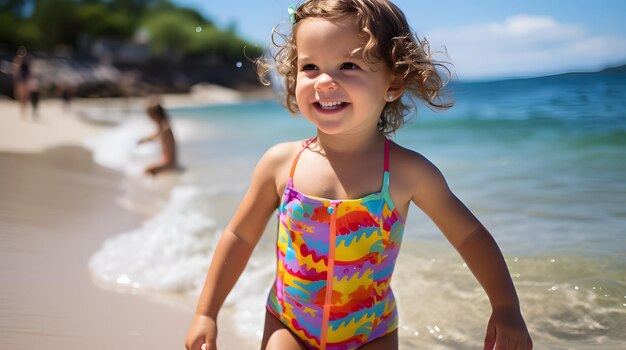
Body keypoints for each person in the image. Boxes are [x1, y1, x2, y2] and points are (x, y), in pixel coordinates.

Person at [185, 1, 532, 349]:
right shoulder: (280, 164)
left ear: (393, 82)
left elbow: (469, 236)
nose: (324, 81)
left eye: (348, 65)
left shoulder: (407, 172)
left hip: (371, 332)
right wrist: (206, 312)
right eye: (310, 67)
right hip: (289, 323)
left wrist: (505, 306)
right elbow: (239, 236)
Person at [137, 100, 178, 176]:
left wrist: (162, 166)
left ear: (156, 116)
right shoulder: (163, 127)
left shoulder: (166, 129)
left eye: (150, 116)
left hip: (169, 163)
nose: (150, 119)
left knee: (145, 171)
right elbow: (156, 135)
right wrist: (143, 140)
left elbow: (170, 157)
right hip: (166, 161)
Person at [12, 46, 31, 117]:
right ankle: (22, 109)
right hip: (21, 80)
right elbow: (16, 70)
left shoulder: (27, 59)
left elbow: (30, 70)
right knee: (21, 95)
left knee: (25, 96)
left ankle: (24, 109)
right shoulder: (17, 60)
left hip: (25, 80)